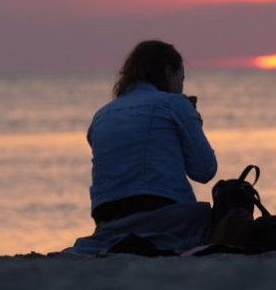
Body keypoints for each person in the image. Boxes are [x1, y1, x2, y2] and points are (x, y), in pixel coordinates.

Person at [72, 40, 218, 254]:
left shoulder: (102, 115)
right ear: (169, 72)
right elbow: (205, 171)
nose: (181, 88)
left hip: (107, 220)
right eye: (181, 79)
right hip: (161, 215)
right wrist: (193, 121)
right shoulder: (174, 104)